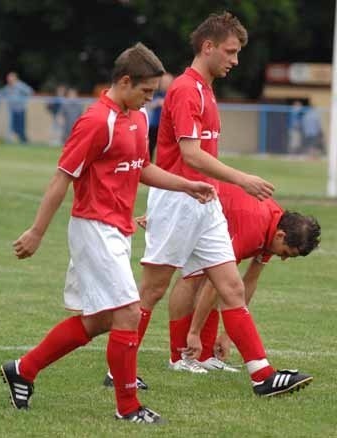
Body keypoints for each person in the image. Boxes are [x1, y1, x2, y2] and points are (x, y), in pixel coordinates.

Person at [0, 42, 216, 424]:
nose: (151, 99)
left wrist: (186, 185)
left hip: (117, 230)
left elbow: (140, 168)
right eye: (147, 91)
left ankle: (24, 369)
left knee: (100, 321)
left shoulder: (136, 117)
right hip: (93, 228)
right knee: (129, 313)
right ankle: (128, 408)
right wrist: (36, 232)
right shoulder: (97, 120)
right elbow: (61, 179)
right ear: (125, 81)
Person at [132, 12, 313, 397]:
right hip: (179, 197)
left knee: (230, 287)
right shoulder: (186, 89)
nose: (235, 60)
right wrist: (242, 179)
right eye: (230, 52)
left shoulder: (206, 90)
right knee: (153, 290)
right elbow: (191, 155)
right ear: (207, 47)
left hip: (204, 201)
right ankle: (122, 370)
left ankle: (262, 375)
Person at [166, 182, 321, 373]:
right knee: (194, 278)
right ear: (281, 236)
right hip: (190, 205)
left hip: (209, 213)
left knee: (219, 282)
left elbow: (249, 282)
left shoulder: (275, 226)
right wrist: (194, 332)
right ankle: (179, 357)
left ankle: (204, 356)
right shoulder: (253, 229)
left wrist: (228, 334)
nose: (283, 258)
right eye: (286, 253)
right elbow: (215, 284)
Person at [0, 72, 34, 143]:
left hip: (20, 110)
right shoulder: (8, 88)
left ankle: (24, 141)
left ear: (15, 78)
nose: (9, 80)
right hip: (12, 111)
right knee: (11, 127)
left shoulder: (20, 86)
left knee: (21, 128)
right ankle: (10, 141)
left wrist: (23, 100)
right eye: (8, 79)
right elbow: (0, 93)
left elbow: (30, 91)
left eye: (11, 78)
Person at [147, 72, 174, 160]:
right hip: (155, 125)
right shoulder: (155, 93)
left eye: (167, 81)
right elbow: (149, 105)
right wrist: (157, 102)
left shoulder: (173, 94)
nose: (165, 84)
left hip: (167, 126)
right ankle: (149, 162)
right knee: (150, 145)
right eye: (163, 82)